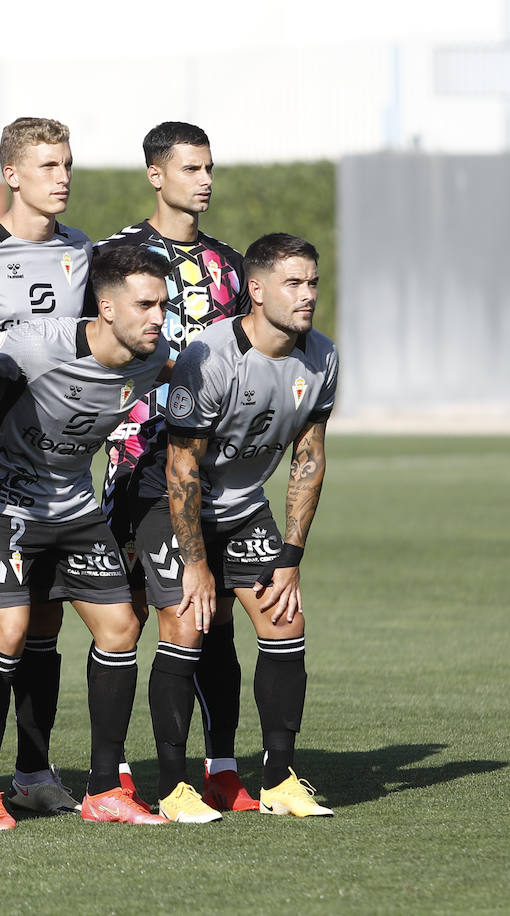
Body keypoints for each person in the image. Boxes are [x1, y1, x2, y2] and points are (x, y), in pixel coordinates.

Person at [0, 245, 172, 827]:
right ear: (104, 307)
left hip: (73, 509)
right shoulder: (33, 346)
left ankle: (103, 790)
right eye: (145, 304)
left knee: (121, 626)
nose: (158, 317)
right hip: (0, 507)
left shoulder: (154, 358)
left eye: (163, 305)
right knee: (10, 632)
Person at [134, 232, 336, 821]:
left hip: (245, 507)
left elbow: (309, 457)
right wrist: (196, 564)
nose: (307, 295)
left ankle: (278, 779)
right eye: (292, 283)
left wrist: (291, 555)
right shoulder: (211, 355)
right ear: (256, 289)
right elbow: (181, 466)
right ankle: (173, 787)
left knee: (285, 618)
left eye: (313, 283)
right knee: (188, 623)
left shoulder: (322, 355)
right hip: (169, 504)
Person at [94, 121, 255, 812]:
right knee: (132, 618)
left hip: (212, 471)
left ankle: (221, 767)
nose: (206, 180)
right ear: (157, 175)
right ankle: (120, 771)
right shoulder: (119, 255)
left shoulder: (230, 263)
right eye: (191, 168)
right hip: (138, 465)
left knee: (211, 615)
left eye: (210, 167)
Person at [0, 116, 92, 825]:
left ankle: (32, 768)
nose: (61, 177)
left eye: (66, 164)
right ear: (11, 175)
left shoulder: (82, 254)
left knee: (43, 628)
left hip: (57, 478)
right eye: (47, 165)